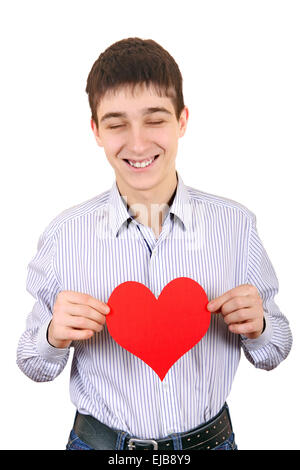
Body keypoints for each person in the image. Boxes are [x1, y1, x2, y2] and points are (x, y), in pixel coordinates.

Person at [17, 37, 292, 451]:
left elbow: (275, 349)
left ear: (182, 120)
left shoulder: (236, 227)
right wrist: (53, 335)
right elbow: (32, 363)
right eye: (116, 124)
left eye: (155, 119)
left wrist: (261, 328)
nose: (139, 143)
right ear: (95, 130)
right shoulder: (63, 236)